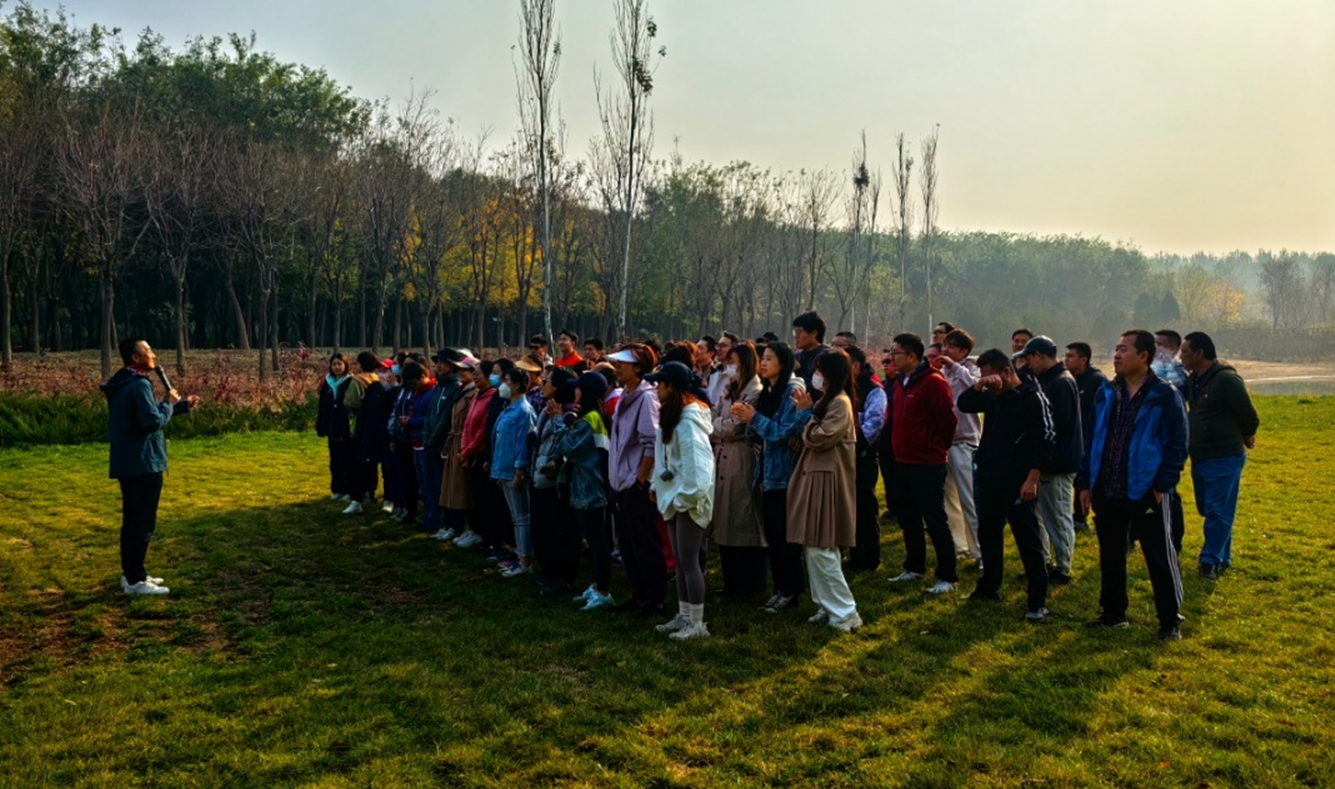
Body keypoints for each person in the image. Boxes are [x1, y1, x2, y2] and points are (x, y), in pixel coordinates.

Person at [1078, 329, 1188, 641]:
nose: (1116, 354)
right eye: (1115, 348)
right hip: (1107, 488)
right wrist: (1086, 482)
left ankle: (1169, 620)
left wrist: (1162, 485)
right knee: (1111, 554)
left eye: (1124, 349)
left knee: (1159, 555)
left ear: (1144, 356)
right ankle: (1113, 613)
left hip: (1146, 489)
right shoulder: (1107, 391)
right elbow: (1092, 438)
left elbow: (1178, 445)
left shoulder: (1164, 394)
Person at [957, 349, 1055, 622]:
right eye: (984, 378)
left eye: (991, 377)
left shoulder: (1032, 398)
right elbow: (965, 404)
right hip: (990, 476)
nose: (989, 383)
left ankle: (1037, 601)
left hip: (1019, 480)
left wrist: (1032, 479)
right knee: (988, 533)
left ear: (1007, 371)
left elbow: (1046, 440)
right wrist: (979, 385)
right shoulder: (992, 395)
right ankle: (989, 586)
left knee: (1028, 541)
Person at [102, 338, 199, 595]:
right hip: (144, 463)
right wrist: (169, 403)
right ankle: (136, 582)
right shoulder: (140, 384)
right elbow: (152, 422)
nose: (153, 355)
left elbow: (144, 415)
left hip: (128, 462)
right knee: (142, 523)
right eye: (148, 351)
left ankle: (133, 574)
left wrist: (179, 407)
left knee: (131, 522)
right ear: (136, 358)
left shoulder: (123, 382)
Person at [788, 350, 863, 632]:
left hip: (826, 478)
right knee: (814, 547)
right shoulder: (826, 401)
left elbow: (822, 438)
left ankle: (845, 612)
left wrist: (806, 415)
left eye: (819, 370)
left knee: (821, 547)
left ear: (830, 374)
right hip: (816, 475)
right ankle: (826, 605)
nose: (815, 376)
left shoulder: (840, 403)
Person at [733, 341, 809, 613]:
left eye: (768, 359)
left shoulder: (792, 391)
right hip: (766, 473)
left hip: (785, 475)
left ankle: (791, 591)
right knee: (774, 537)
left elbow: (783, 431)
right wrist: (747, 420)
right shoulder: (768, 390)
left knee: (786, 538)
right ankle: (780, 588)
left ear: (783, 362)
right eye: (762, 358)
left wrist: (754, 418)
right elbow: (761, 433)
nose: (762, 363)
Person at [1180, 331, 1260, 580]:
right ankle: (1223, 557)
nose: (1181, 357)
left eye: (1185, 352)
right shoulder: (1193, 380)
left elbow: (1249, 414)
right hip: (1200, 455)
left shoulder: (1226, 379)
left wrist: (1247, 434)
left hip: (1224, 455)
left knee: (1217, 510)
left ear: (1200, 353)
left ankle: (1209, 561)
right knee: (1209, 508)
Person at [646, 361, 717, 639]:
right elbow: (665, 456)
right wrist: (656, 484)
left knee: (689, 561)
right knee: (680, 561)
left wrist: (685, 497)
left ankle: (696, 624)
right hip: (674, 497)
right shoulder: (672, 416)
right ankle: (684, 615)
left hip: (688, 500)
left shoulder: (688, 423)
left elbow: (697, 466)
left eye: (659, 384)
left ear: (671, 386)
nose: (656, 389)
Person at [887, 332, 959, 593]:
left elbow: (948, 422)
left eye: (896, 353)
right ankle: (914, 567)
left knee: (935, 519)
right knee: (908, 518)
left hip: (928, 462)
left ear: (911, 356)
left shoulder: (933, 382)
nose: (891, 358)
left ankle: (947, 576)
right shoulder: (900, 382)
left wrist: (934, 447)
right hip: (903, 459)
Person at [606, 344, 668, 616]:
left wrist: (640, 480)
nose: (617, 367)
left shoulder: (646, 398)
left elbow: (651, 443)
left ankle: (655, 598)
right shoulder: (626, 395)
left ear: (639, 367)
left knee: (644, 543)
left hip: (634, 484)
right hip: (621, 482)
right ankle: (638, 593)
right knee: (628, 544)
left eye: (623, 363)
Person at [1018, 335, 1083, 586]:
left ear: (1041, 356)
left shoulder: (1060, 382)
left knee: (1057, 516)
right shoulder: (1049, 380)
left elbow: (1055, 426)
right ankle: (1043, 562)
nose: (1028, 364)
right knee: (1041, 517)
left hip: (1058, 463)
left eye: (1030, 358)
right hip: (1046, 461)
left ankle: (1063, 567)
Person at [551, 371, 615, 608]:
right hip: (585, 486)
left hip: (591, 488)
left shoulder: (590, 419)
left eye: (578, 387)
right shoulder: (591, 417)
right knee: (593, 540)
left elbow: (569, 447)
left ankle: (603, 591)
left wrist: (558, 421)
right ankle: (597, 585)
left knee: (598, 543)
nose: (574, 391)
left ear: (585, 392)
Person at [709, 341, 766, 596]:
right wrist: (718, 424)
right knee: (724, 518)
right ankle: (731, 581)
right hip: (723, 456)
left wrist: (716, 425)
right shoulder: (730, 388)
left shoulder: (754, 392)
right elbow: (713, 416)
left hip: (741, 457)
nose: (729, 367)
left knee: (743, 517)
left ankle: (749, 582)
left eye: (733, 362)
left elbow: (734, 428)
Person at [938, 329, 982, 566]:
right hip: (943, 441)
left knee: (969, 498)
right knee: (948, 498)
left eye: (951, 346)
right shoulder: (940, 371)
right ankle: (959, 545)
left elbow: (977, 386)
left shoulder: (972, 368)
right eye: (945, 345)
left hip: (965, 441)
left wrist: (955, 367)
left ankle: (979, 550)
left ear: (964, 351)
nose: (946, 350)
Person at [492, 368, 539, 576]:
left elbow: (523, 444)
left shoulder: (524, 411)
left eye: (507, 380)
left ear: (518, 385)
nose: (503, 384)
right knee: (515, 517)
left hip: (514, 471)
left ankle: (525, 561)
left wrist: (519, 470)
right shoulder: (508, 408)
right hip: (504, 469)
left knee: (521, 518)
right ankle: (520, 557)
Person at [845, 346, 885, 572]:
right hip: (843, 457)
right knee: (848, 508)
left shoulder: (873, 390)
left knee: (864, 508)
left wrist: (852, 443)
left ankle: (869, 557)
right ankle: (853, 553)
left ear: (856, 366)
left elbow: (874, 424)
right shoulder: (842, 387)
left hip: (862, 456)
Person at [1065, 341, 1108, 532]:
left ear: (1083, 360)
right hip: (1077, 438)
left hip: (1094, 439)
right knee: (1078, 479)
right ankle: (1079, 518)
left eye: (1070, 356)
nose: (1066, 360)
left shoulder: (1097, 381)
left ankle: (1102, 519)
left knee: (1095, 480)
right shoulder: (1070, 379)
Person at [440, 355, 478, 544]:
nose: (460, 373)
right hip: (455, 442)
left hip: (464, 443)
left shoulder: (473, 394)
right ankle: (452, 525)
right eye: (459, 370)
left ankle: (466, 527)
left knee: (462, 490)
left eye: (464, 370)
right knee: (452, 488)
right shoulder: (461, 391)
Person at [345, 351, 388, 511]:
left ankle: (359, 495)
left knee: (362, 462)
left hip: (362, 424)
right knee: (377, 463)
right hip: (381, 426)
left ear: (360, 364)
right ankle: (373, 491)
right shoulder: (380, 379)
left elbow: (350, 402)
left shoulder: (357, 381)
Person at [399, 361, 437, 530]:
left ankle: (432, 519)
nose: (412, 387)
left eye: (414, 383)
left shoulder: (432, 392)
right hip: (415, 441)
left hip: (425, 442)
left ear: (423, 376)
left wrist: (411, 421)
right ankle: (427, 517)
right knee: (423, 485)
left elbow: (431, 419)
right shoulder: (418, 392)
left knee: (430, 485)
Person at [316, 353, 357, 505]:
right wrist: (322, 425)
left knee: (348, 460)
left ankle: (349, 490)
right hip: (332, 427)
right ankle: (337, 489)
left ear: (346, 365)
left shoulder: (351, 382)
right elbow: (322, 406)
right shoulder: (327, 382)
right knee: (335, 461)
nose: (337, 367)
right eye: (334, 364)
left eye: (340, 364)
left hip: (346, 427)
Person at [791, 311, 831, 392]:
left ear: (814, 333)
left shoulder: (827, 357)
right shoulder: (797, 356)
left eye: (799, 332)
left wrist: (798, 370)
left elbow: (818, 390)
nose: (796, 336)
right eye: (794, 332)